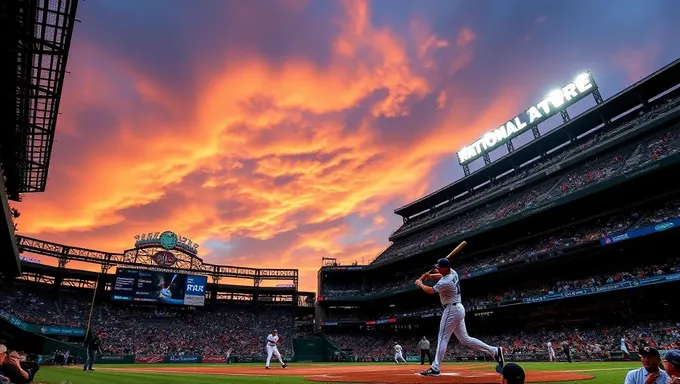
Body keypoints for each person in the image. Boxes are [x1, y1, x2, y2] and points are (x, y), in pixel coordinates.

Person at [415, 258, 504, 376]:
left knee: (442, 338)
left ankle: (435, 367)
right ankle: (494, 351)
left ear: (445, 268)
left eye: (439, 267)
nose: (437, 269)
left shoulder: (446, 281)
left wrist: (420, 284)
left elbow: (431, 290)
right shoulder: (453, 272)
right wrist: (430, 276)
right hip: (458, 308)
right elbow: (440, 276)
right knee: (465, 339)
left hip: (451, 310)